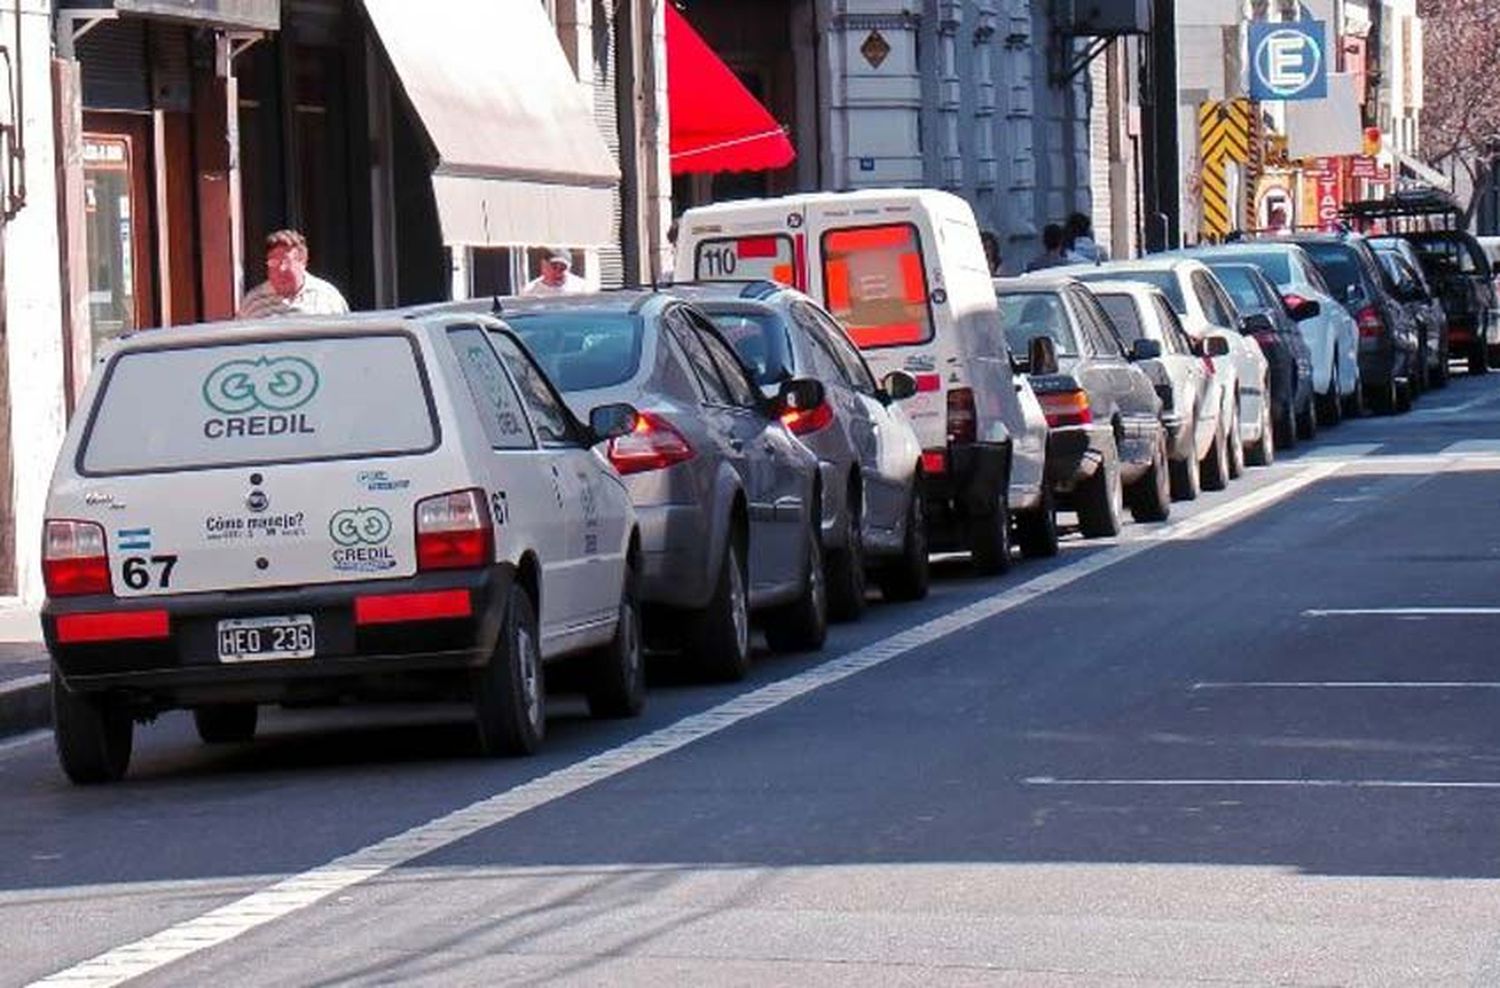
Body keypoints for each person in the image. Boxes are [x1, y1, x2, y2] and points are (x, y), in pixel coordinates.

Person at [238, 229, 349, 319]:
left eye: (286, 262)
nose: (280, 269)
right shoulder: (253, 303)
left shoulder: (327, 297)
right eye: (273, 263)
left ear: (303, 261)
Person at [522, 250, 588, 296]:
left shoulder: (582, 288)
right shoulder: (530, 291)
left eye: (563, 268)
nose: (558, 272)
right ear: (544, 266)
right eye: (554, 267)